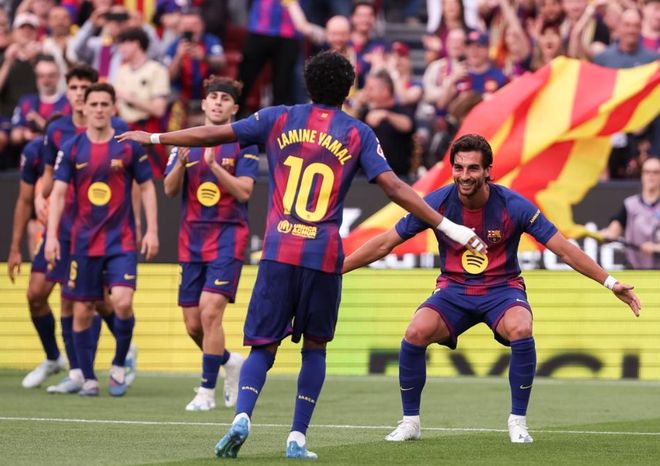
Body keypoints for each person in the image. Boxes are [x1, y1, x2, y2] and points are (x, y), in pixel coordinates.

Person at [117, 51, 486, 459]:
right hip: (322, 256)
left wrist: (156, 138)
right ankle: (297, 437)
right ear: (348, 89)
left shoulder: (277, 117)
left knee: (263, 347)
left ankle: (242, 416)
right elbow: (395, 188)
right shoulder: (357, 133)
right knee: (314, 348)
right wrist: (448, 226)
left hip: (278, 250)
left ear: (308, 84)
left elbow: (213, 135)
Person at [343, 133, 641, 444]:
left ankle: (518, 422)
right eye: (458, 168)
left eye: (473, 168)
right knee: (415, 331)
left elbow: (564, 250)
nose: (464, 175)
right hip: (454, 290)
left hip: (502, 290)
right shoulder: (436, 203)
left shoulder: (514, 205)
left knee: (521, 328)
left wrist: (610, 282)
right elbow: (385, 243)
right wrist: (338, 269)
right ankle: (410, 422)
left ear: (488, 171)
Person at [45, 82, 159, 397]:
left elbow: (147, 187)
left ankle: (120, 364)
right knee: (82, 309)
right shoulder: (71, 147)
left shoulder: (128, 146)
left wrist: (151, 229)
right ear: (84, 107)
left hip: (121, 240)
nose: (98, 109)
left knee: (122, 301)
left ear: (113, 108)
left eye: (104, 104)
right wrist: (51, 236)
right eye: (93, 104)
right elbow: (57, 194)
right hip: (83, 242)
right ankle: (88, 379)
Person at [163, 76, 257, 411]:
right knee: (193, 324)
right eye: (213, 97)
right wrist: (180, 165)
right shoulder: (184, 141)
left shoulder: (244, 143)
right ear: (204, 104)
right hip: (192, 240)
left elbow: (244, 191)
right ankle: (230, 361)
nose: (218, 102)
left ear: (234, 108)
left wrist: (214, 167)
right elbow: (169, 190)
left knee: (210, 311)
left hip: (228, 237)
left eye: (224, 99)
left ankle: (206, 392)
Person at [7, 119, 66, 389]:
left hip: (82, 235)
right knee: (35, 295)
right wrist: (14, 248)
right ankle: (53, 357)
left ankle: (122, 352)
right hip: (52, 235)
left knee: (90, 303)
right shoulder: (34, 152)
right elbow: (24, 200)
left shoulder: (80, 147)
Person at [600, 157, 660, 269]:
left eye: (656, 172)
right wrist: (605, 235)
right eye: (647, 172)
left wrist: (655, 248)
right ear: (642, 175)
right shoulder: (630, 205)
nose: (651, 176)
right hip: (635, 268)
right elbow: (614, 231)